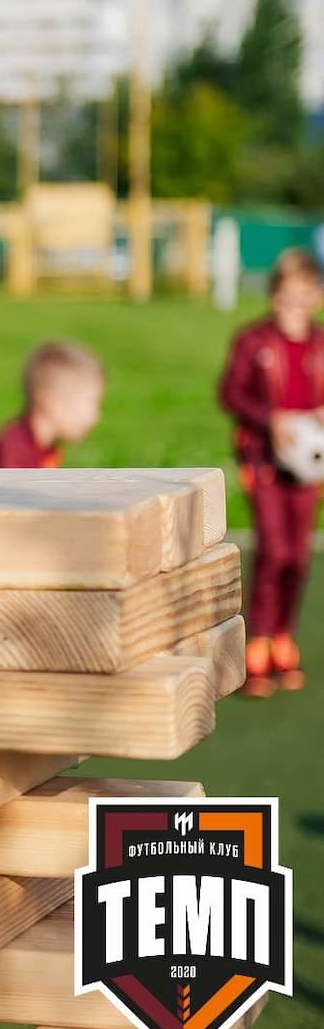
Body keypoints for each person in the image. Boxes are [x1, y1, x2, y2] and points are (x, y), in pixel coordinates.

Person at [219, 246, 324, 697]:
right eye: (284, 296)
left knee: (298, 556)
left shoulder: (320, 344)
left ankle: (283, 635)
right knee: (274, 550)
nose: (292, 305)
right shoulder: (253, 341)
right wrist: (271, 419)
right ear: (273, 294)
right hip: (263, 460)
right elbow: (230, 393)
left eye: (302, 296)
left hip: (308, 466)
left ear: (316, 296)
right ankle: (256, 641)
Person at [0, 340, 105, 468]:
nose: (95, 417)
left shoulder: (43, 446)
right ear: (53, 404)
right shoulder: (17, 458)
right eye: (91, 404)